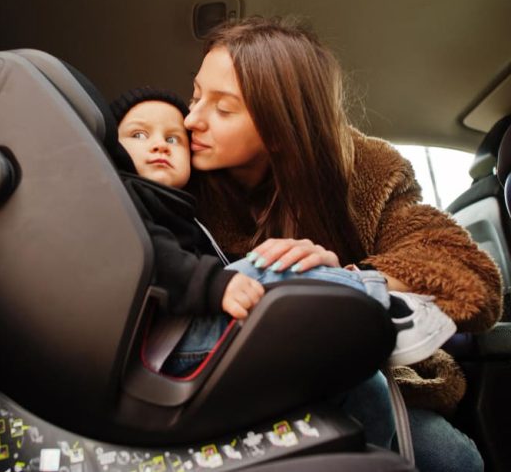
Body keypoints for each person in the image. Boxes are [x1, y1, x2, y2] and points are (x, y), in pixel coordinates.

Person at [176, 15, 501, 472]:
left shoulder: (369, 170)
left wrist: (344, 279)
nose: (192, 119)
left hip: (352, 376)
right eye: (195, 97)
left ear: (280, 127)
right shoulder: (174, 166)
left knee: (450, 458)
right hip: (227, 381)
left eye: (223, 110)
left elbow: (469, 277)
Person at [109, 86, 456, 368]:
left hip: (192, 331)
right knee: (273, 269)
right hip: (163, 343)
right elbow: (150, 254)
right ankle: (375, 308)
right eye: (138, 135)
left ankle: (366, 313)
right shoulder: (121, 198)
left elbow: (454, 262)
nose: (162, 142)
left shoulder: (184, 207)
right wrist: (219, 282)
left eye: (174, 139)